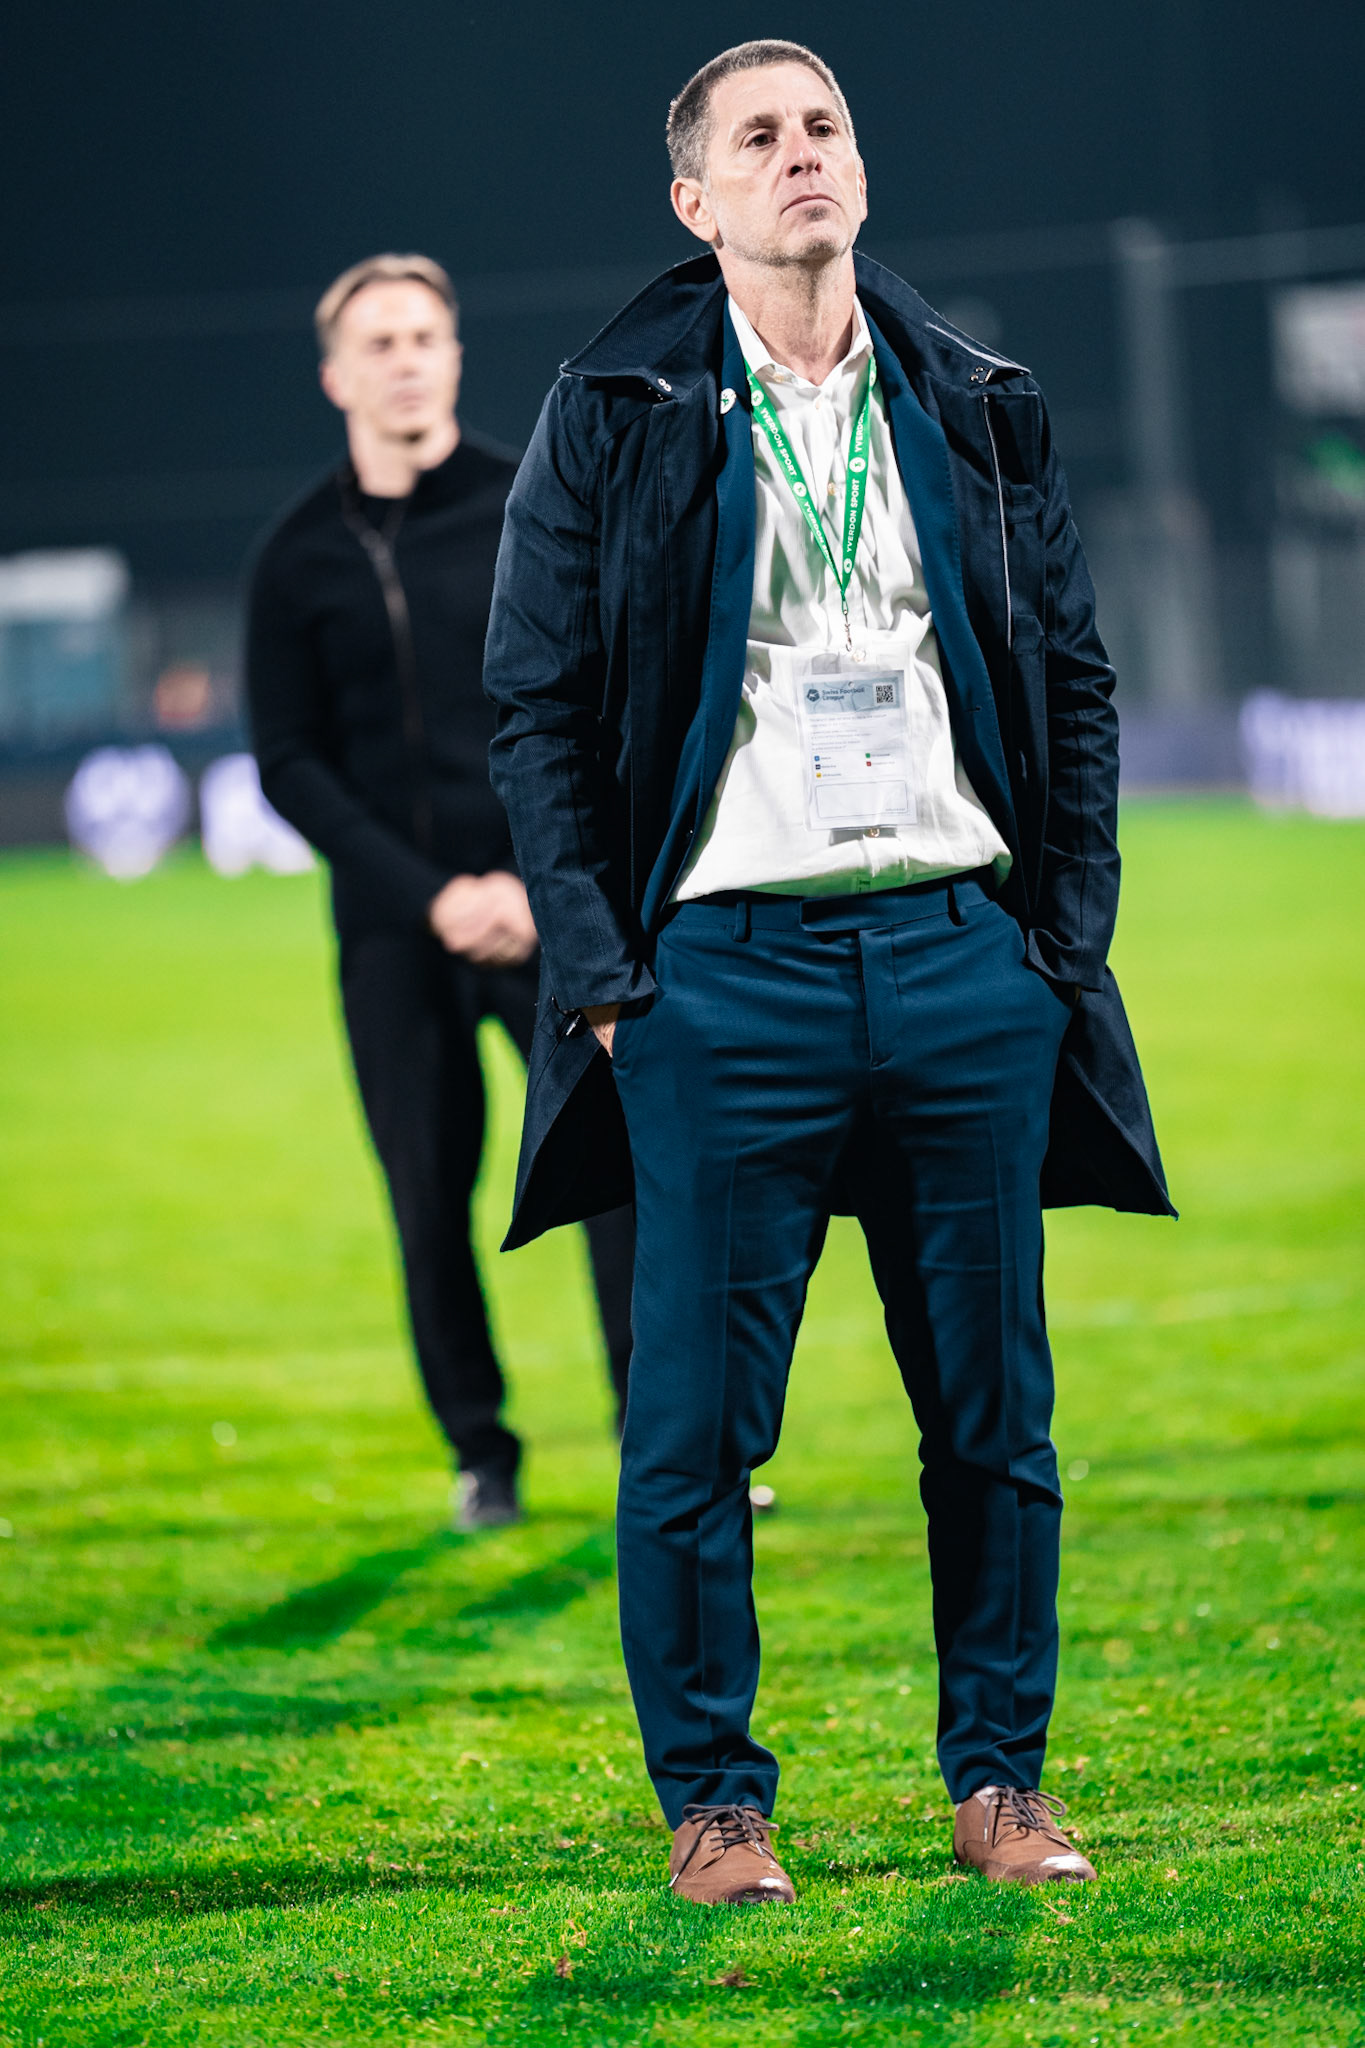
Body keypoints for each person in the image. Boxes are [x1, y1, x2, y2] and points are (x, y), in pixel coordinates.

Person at [484, 42, 1175, 1899]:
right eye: (760, 139)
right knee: (699, 1430)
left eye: (827, 127)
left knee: (996, 1421)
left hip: (964, 963)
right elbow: (533, 706)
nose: (805, 156)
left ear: (859, 171)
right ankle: (718, 1799)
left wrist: (1062, 942)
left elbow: (1076, 675)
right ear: (696, 203)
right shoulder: (613, 407)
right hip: (726, 983)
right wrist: (617, 977)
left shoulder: (973, 398)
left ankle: (1003, 1783)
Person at [245, 253, 634, 1531]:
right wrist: (431, 899)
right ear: (334, 375)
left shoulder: (538, 504)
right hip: (395, 935)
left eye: (426, 336)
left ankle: (672, 1449)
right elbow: (291, 764)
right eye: (381, 341)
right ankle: (484, 1452)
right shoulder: (296, 556)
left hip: (548, 912)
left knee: (620, 1174)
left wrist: (530, 881)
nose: (407, 358)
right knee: (427, 1199)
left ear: (455, 357)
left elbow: (600, 703)